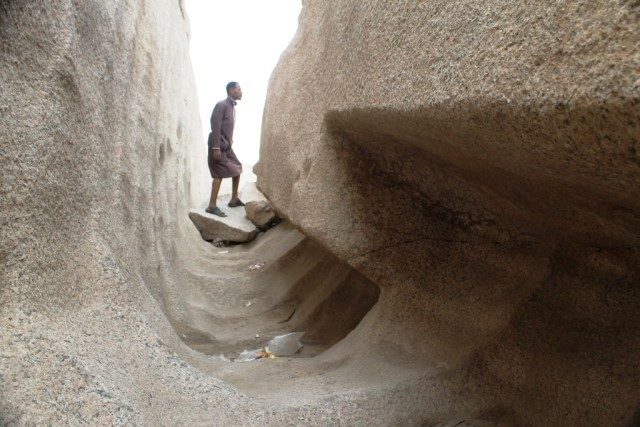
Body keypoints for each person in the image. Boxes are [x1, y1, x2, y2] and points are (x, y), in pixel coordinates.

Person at [205, 81, 244, 217]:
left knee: (238, 167)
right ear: (232, 90)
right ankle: (211, 205)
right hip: (218, 145)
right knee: (218, 174)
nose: (241, 91)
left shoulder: (231, 106)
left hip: (226, 146)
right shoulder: (221, 105)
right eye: (239, 89)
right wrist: (216, 148)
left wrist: (230, 142)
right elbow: (215, 127)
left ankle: (233, 199)